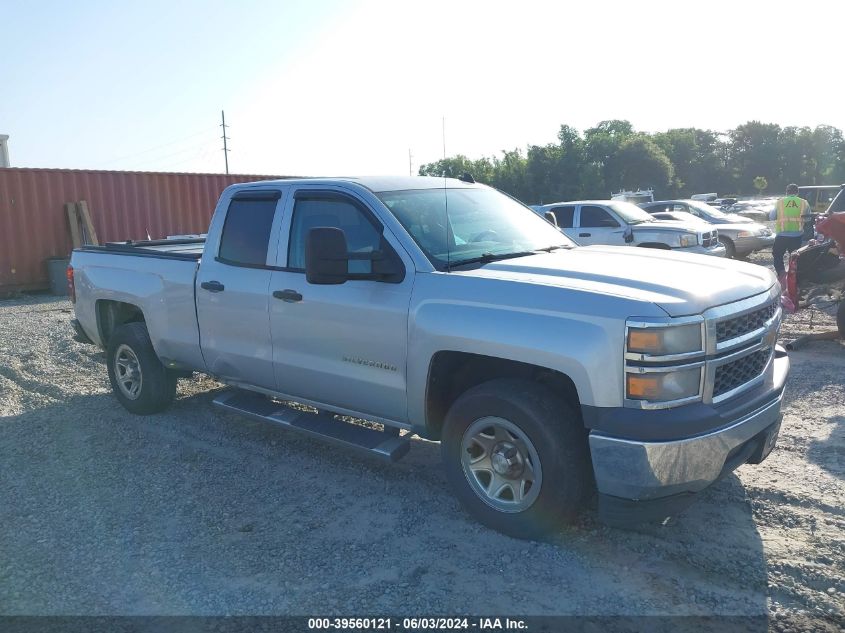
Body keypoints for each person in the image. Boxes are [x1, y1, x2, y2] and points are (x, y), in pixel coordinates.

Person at [770, 183, 811, 281]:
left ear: (786, 192)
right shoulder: (804, 202)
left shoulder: (779, 202)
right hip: (797, 235)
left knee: (778, 254)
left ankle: (781, 274)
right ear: (797, 192)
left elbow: (771, 217)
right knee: (795, 256)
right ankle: (794, 275)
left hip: (782, 234)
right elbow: (808, 219)